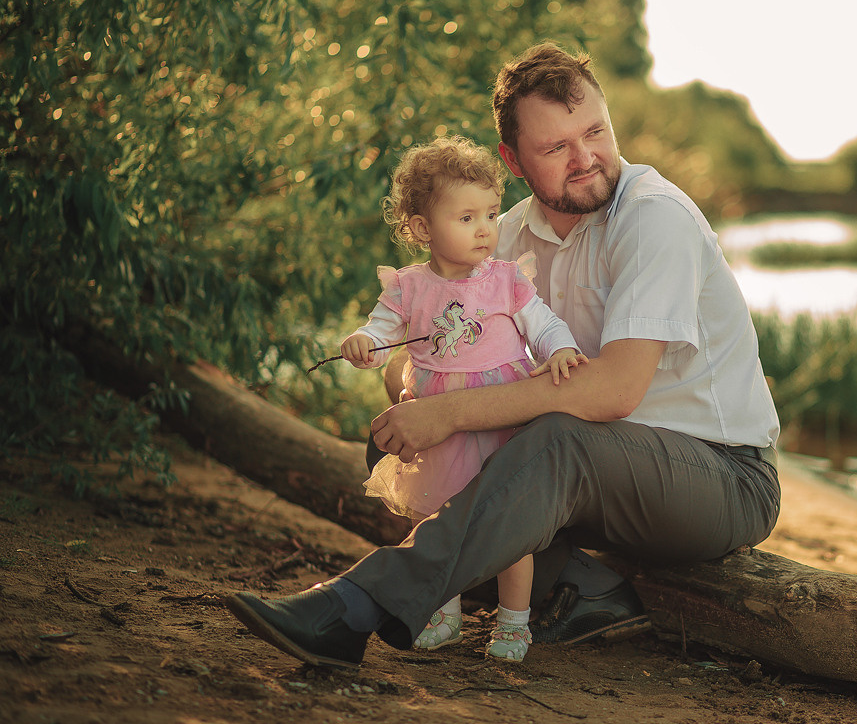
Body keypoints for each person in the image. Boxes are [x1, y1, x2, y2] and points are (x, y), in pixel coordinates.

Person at [224, 42, 782, 670]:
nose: (586, 158)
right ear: (512, 161)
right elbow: (423, 361)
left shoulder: (656, 220)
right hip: (591, 481)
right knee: (442, 479)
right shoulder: (502, 238)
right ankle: (592, 590)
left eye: (595, 131)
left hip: (720, 476)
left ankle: (352, 608)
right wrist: (415, 402)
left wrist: (454, 412)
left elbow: (613, 392)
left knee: (554, 439)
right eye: (555, 148)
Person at [339, 135, 586, 662]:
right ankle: (442, 610)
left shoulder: (504, 280)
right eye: (467, 217)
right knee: (437, 518)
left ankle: (514, 621)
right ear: (423, 228)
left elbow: (542, 324)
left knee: (506, 523)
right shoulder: (408, 287)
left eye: (492, 214)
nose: (485, 229)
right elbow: (382, 335)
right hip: (437, 424)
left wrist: (560, 349)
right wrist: (366, 346)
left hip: (498, 415)